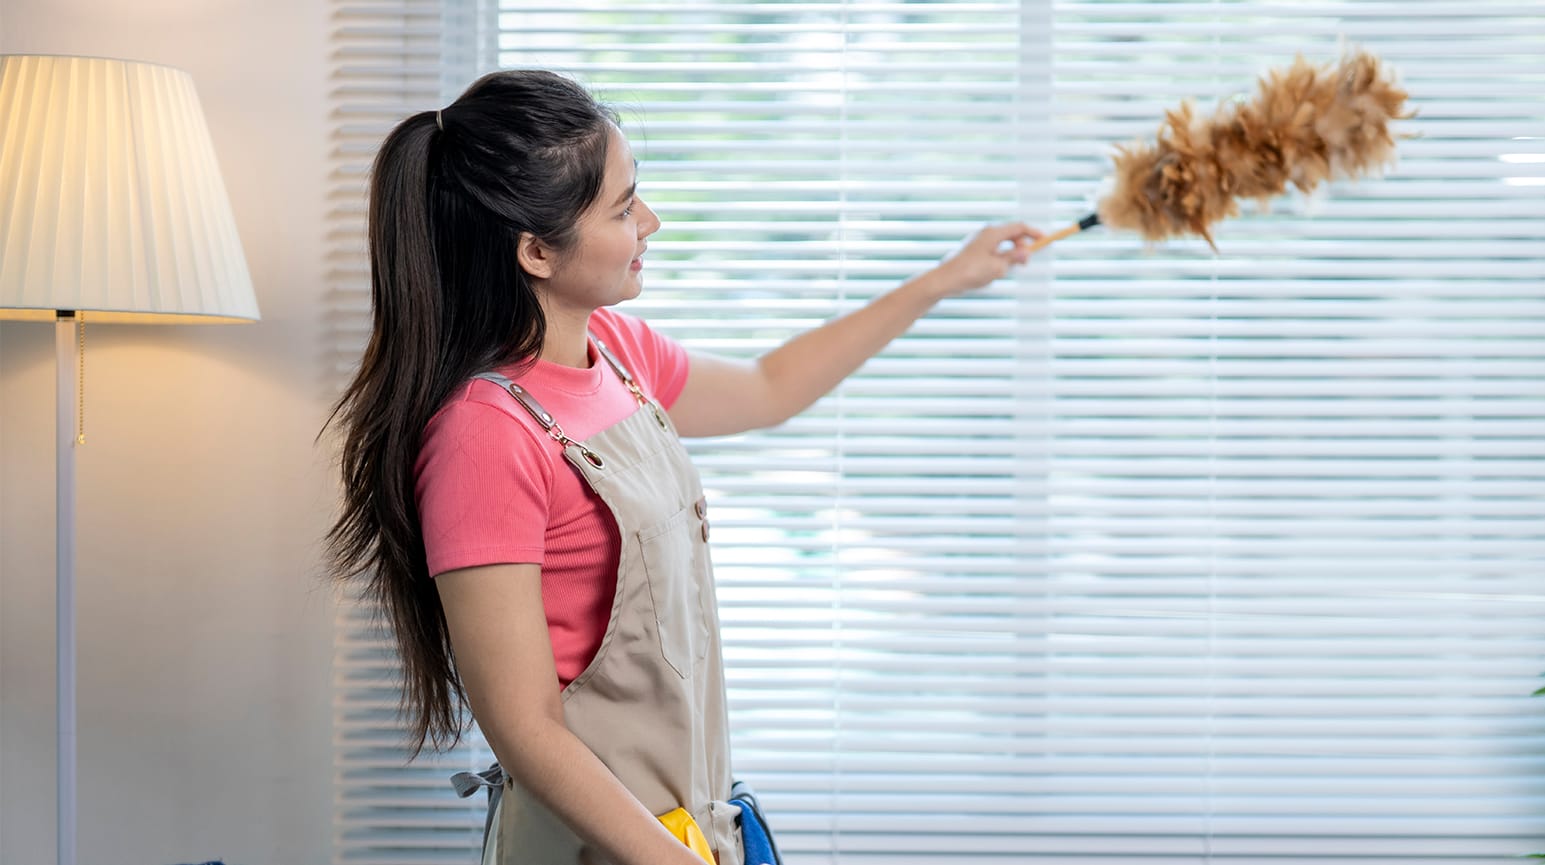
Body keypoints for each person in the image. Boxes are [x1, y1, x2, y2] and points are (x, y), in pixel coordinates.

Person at [322, 69, 1039, 865]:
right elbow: (524, 731)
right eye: (624, 208)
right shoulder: (483, 436)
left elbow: (772, 387)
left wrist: (943, 280)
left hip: (687, 829)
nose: (651, 222)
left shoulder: (619, 357)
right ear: (535, 250)